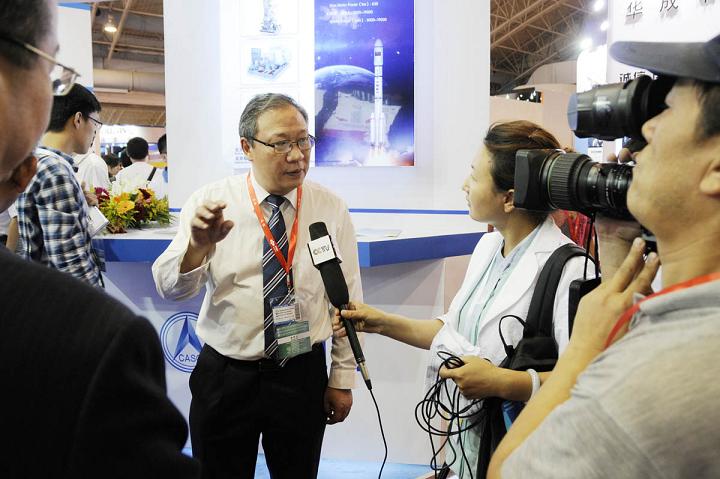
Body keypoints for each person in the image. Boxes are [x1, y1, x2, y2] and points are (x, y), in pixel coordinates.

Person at [488, 34, 720, 478]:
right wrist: (614, 263)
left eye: (669, 110)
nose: (646, 131)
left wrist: (583, 350)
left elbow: (507, 471)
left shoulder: (659, 380)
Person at [0, 1, 199, 477]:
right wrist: (96, 322)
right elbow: (69, 264)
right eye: (52, 72)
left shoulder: (43, 167)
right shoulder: (102, 343)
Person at [335, 121, 587, 478]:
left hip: (524, 455)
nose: (464, 185)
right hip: (469, 448)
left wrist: (503, 383)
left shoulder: (569, 269)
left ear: (509, 198)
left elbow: (581, 381)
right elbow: (452, 332)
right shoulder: (488, 247)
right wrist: (380, 322)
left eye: (474, 175)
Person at [152, 93, 362, 479]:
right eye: (281, 143)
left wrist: (342, 377)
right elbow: (170, 288)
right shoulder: (212, 202)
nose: (297, 155)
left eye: (303, 140)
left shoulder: (330, 208)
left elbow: (348, 300)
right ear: (247, 147)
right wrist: (197, 248)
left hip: (300, 372)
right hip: (226, 375)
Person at [15, 82, 102, 286]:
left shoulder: (37, 161)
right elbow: (71, 265)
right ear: (78, 119)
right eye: (96, 123)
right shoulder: (56, 171)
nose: (95, 133)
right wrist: (99, 301)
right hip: (61, 297)